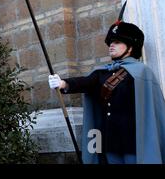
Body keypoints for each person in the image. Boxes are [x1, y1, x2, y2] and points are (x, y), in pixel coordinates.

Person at [48, 15, 165, 164]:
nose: (111, 45)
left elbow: (152, 113)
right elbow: (86, 82)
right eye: (110, 42)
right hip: (109, 140)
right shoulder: (102, 72)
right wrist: (63, 83)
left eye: (116, 42)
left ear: (130, 48)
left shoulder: (142, 73)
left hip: (134, 141)